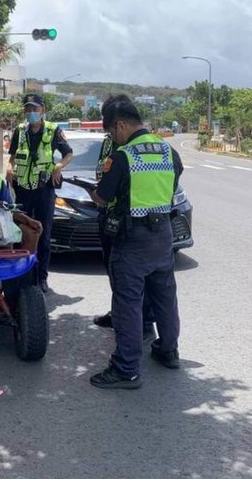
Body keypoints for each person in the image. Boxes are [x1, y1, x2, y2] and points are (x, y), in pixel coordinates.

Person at [89, 94, 184, 390]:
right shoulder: (169, 151)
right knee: (164, 296)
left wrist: (97, 195)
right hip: (163, 234)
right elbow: (173, 181)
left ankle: (126, 368)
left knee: (127, 303)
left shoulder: (123, 156)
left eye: (110, 132)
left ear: (120, 125)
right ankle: (168, 351)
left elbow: (103, 197)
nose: (112, 137)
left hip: (132, 239)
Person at [92, 129, 157, 342]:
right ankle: (118, 315)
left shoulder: (137, 147)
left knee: (138, 277)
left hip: (133, 219)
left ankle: (144, 323)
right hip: (110, 216)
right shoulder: (108, 142)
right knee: (114, 271)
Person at [7, 93, 73, 292]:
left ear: (42, 110)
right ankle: (21, 275)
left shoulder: (53, 131)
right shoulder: (19, 131)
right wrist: (9, 169)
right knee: (20, 233)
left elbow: (69, 153)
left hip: (44, 190)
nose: (31, 113)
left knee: (43, 236)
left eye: (35, 109)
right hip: (23, 190)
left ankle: (41, 278)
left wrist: (59, 165)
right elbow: (11, 157)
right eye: (28, 109)